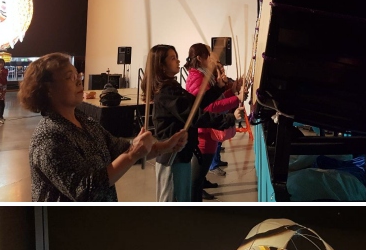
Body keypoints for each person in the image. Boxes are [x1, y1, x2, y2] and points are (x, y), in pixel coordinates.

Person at [21, 53, 187, 202]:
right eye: (69, 77)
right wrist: (132, 155)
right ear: (48, 89)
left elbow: (121, 150)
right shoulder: (49, 137)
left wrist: (165, 147)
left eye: (78, 75)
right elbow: (85, 191)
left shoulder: (85, 121)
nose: (79, 80)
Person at [149, 44, 237, 202]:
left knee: (184, 199)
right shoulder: (166, 92)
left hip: (181, 154)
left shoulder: (172, 87)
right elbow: (195, 115)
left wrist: (218, 88)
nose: (178, 60)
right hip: (172, 156)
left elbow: (196, 103)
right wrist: (229, 119)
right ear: (161, 66)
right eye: (173, 58)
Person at [184, 44, 244, 201]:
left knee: (198, 179)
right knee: (195, 183)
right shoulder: (197, 77)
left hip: (207, 132)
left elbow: (214, 99)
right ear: (200, 58)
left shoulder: (203, 76)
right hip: (202, 134)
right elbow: (209, 108)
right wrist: (236, 99)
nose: (212, 57)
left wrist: (232, 91)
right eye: (209, 54)